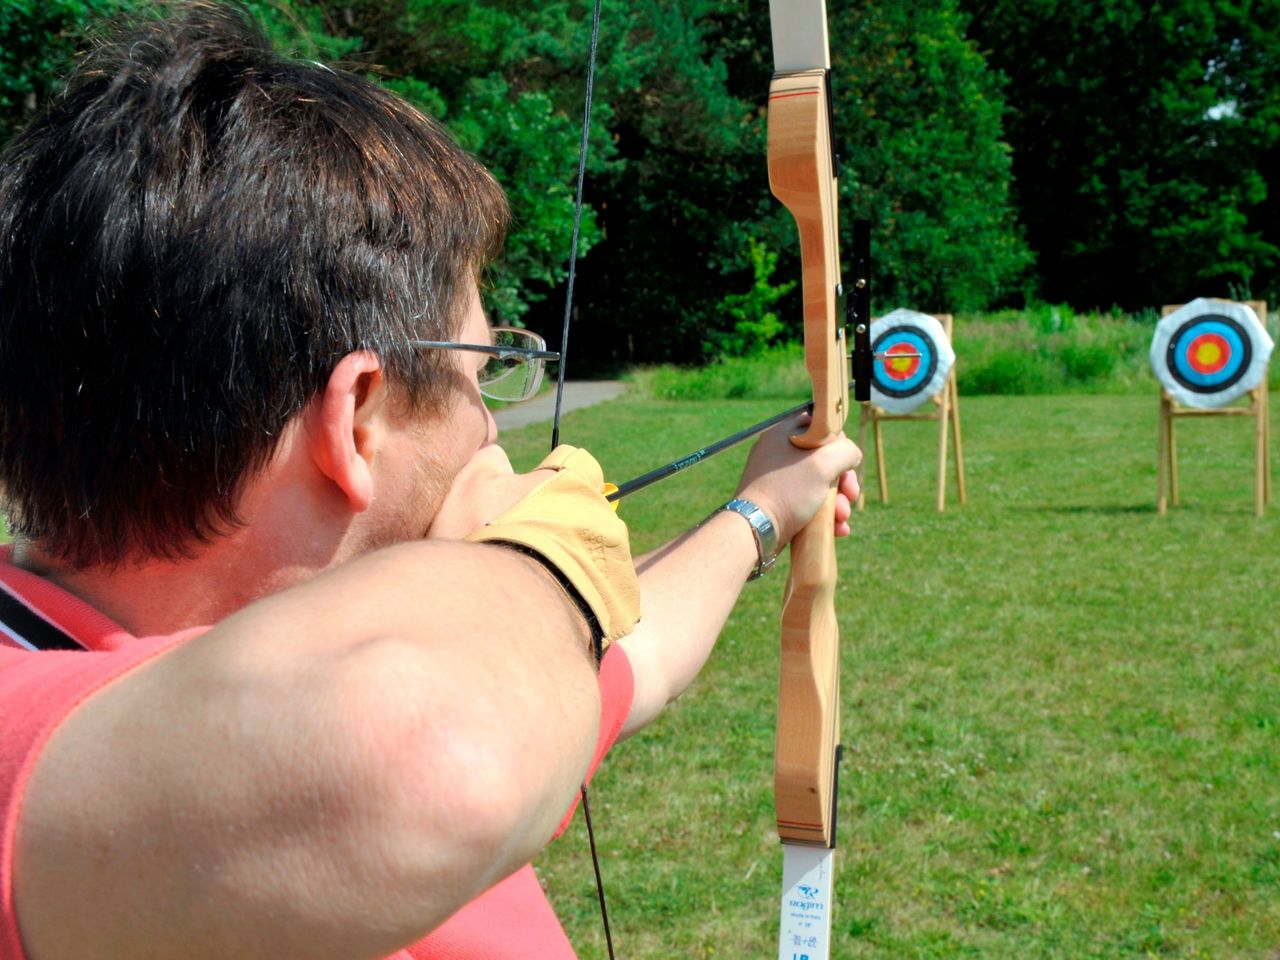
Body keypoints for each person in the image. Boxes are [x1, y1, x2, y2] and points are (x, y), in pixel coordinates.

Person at [0, 4, 861, 959]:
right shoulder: (25, 711)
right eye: (482, 374)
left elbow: (621, 653)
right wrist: (541, 558)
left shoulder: (387, 670)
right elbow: (432, 756)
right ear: (359, 418)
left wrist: (761, 510)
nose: (493, 427)